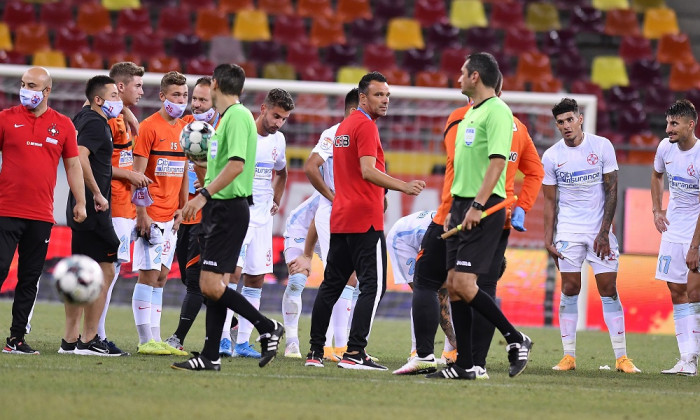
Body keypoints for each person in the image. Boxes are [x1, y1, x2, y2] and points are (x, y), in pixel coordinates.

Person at [305, 72, 425, 370]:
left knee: (331, 285)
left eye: (387, 95)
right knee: (373, 285)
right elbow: (368, 171)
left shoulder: (344, 126)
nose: (385, 100)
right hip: (364, 220)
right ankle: (355, 352)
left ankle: (314, 352)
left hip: (342, 217)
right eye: (378, 95)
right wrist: (403, 186)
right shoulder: (367, 126)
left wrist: (380, 191)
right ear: (362, 97)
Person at [426, 53, 532, 380]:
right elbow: (461, 169)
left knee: (464, 282)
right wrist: (452, 209)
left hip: (483, 206)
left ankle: (516, 337)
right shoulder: (472, 112)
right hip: (461, 205)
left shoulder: (499, 111)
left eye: (461, 72)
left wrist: (477, 205)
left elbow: (498, 162)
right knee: (453, 286)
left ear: (475, 76)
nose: (457, 77)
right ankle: (464, 365)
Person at [172, 63, 284, 372]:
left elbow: (236, 165)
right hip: (220, 207)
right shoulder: (225, 120)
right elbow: (223, 168)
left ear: (216, 84)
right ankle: (210, 356)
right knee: (215, 285)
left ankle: (266, 327)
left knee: (210, 285)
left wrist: (202, 197)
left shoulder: (236, 117)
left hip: (228, 209)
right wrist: (200, 172)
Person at [542, 98, 639, 373]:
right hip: (569, 232)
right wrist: (547, 238)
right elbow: (549, 202)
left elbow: (612, 191)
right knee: (570, 288)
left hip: (599, 231)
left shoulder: (602, 146)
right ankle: (568, 356)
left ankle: (621, 358)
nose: (566, 126)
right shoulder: (551, 156)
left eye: (570, 119)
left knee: (608, 289)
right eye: (560, 122)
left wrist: (605, 232)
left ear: (580, 118)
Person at [0, 67, 87, 355]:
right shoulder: (6, 118)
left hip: (40, 216)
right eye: (24, 84)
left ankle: (16, 339)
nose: (26, 89)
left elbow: (74, 165)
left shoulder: (63, 125)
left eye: (33, 85)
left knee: (29, 278)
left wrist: (81, 200)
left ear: (47, 91)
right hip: (5, 210)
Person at [470, 75, 544, 376]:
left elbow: (535, 171)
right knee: (478, 287)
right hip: (496, 214)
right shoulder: (517, 127)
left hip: (476, 212)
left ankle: (470, 360)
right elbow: (535, 171)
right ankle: (474, 361)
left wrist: (522, 207)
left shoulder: (472, 121)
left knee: (466, 285)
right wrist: (521, 207)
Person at [219, 88, 293, 358]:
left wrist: (277, 196)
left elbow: (282, 172)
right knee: (232, 275)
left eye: (283, 119)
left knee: (256, 278)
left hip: (263, 218)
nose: (278, 123)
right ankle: (223, 338)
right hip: (239, 215)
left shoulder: (279, 140)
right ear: (263, 109)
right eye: (275, 116)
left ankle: (242, 342)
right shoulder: (243, 132)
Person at [59, 76, 123, 356]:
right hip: (94, 209)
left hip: (79, 206)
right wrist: (97, 194)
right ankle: (89, 339)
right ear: (99, 99)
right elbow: (81, 157)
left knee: (79, 271)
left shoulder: (82, 116)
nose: (117, 100)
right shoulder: (97, 124)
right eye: (113, 95)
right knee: (105, 269)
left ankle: (70, 340)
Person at [295, 88, 360, 361]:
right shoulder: (334, 134)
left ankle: (338, 346)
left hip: (350, 212)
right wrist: (333, 197)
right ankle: (334, 347)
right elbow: (311, 166)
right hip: (334, 212)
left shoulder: (362, 134)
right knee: (341, 276)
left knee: (350, 277)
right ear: (356, 109)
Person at [131, 71, 189, 356]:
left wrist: (181, 207)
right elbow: (137, 175)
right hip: (151, 214)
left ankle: (155, 337)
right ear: (162, 96)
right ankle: (145, 340)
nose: (181, 100)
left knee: (163, 277)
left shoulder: (185, 130)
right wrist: (141, 213)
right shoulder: (148, 127)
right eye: (176, 95)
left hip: (171, 216)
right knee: (148, 274)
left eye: (184, 95)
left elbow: (184, 171)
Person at [165, 76, 221, 353]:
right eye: (194, 99)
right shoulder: (185, 125)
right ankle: (235, 323)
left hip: (207, 217)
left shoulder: (224, 131)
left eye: (202, 100)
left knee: (196, 281)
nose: (196, 105)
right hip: (183, 213)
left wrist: (211, 183)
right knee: (189, 280)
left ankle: (177, 338)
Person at [98, 61, 150, 355]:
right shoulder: (107, 119)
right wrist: (130, 176)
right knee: (108, 271)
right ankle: (97, 334)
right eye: (138, 86)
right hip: (114, 205)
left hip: (124, 206)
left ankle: (95, 333)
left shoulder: (121, 117)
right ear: (120, 87)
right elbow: (100, 164)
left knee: (111, 272)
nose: (142, 92)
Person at [651, 99, 700, 375]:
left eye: (674, 124)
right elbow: (656, 175)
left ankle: (692, 359)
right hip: (673, 231)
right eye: (668, 123)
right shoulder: (664, 148)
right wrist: (657, 209)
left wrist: (695, 246)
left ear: (690, 125)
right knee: (676, 291)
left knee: (695, 294)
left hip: (696, 232)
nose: (668, 128)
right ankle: (686, 360)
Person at [386, 209, 456, 362]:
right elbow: (440, 298)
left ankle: (450, 353)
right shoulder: (443, 238)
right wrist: (457, 341)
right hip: (403, 240)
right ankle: (417, 351)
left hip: (430, 235)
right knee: (424, 292)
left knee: (452, 291)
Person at [280, 192, 322, 357]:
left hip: (331, 229)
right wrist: (307, 256)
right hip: (302, 227)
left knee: (351, 281)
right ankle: (292, 341)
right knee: (297, 278)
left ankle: (342, 345)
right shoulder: (340, 181)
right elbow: (317, 221)